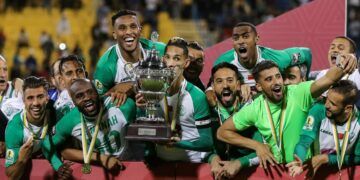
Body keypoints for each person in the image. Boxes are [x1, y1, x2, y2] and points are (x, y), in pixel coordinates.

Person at [217, 55, 357, 169]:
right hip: (275, 170)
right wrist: (257, 146)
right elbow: (222, 132)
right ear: (259, 86)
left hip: (303, 168)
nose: (276, 82)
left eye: (278, 76)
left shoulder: (298, 93)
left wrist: (349, 59)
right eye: (269, 79)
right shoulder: (254, 108)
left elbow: (329, 78)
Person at [136, 37, 213, 163]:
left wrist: (179, 143)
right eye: (167, 57)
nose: (170, 64)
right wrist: (141, 111)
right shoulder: (151, 91)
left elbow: (207, 141)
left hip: (191, 166)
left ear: (186, 63)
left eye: (176, 58)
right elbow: (143, 133)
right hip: (162, 165)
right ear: (163, 59)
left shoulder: (196, 96)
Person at [43, 78, 136, 172]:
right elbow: (46, 143)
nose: (87, 97)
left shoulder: (121, 105)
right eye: (80, 96)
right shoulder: (71, 120)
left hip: (130, 166)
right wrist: (58, 166)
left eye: (90, 92)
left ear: (98, 93)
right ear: (73, 101)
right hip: (97, 171)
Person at [207, 22, 312, 104]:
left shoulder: (277, 59)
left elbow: (306, 53)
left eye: (245, 36)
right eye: (236, 38)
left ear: (256, 39)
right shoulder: (223, 62)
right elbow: (211, 86)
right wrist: (210, 92)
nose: (240, 41)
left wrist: (305, 78)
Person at [287, 80, 360, 177]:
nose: (326, 105)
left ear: (348, 108)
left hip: (342, 171)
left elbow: (358, 157)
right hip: (317, 169)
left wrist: (327, 158)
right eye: (327, 99)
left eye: (333, 104)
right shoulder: (318, 110)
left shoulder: (358, 124)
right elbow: (304, 140)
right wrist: (299, 157)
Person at [5, 76, 72, 179]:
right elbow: (11, 175)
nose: (35, 103)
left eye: (40, 97)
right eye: (30, 98)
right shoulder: (14, 127)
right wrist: (22, 160)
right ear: (23, 100)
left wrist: (59, 166)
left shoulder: (57, 117)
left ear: (47, 98)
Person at [94, 9, 165, 99]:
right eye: (122, 28)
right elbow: (97, 103)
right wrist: (116, 88)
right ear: (114, 34)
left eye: (133, 26)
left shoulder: (160, 50)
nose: (128, 32)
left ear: (140, 31)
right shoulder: (106, 65)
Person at [207, 62, 261, 179]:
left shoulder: (251, 107)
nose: (225, 85)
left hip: (249, 174)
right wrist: (213, 159)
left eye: (230, 80)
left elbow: (263, 149)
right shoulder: (208, 111)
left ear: (238, 84)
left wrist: (240, 163)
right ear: (213, 86)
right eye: (219, 81)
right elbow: (203, 146)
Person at [54, 55, 86, 119]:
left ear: (86, 74)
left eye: (79, 71)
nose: (76, 77)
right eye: (69, 73)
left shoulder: (100, 93)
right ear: (61, 80)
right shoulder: (59, 109)